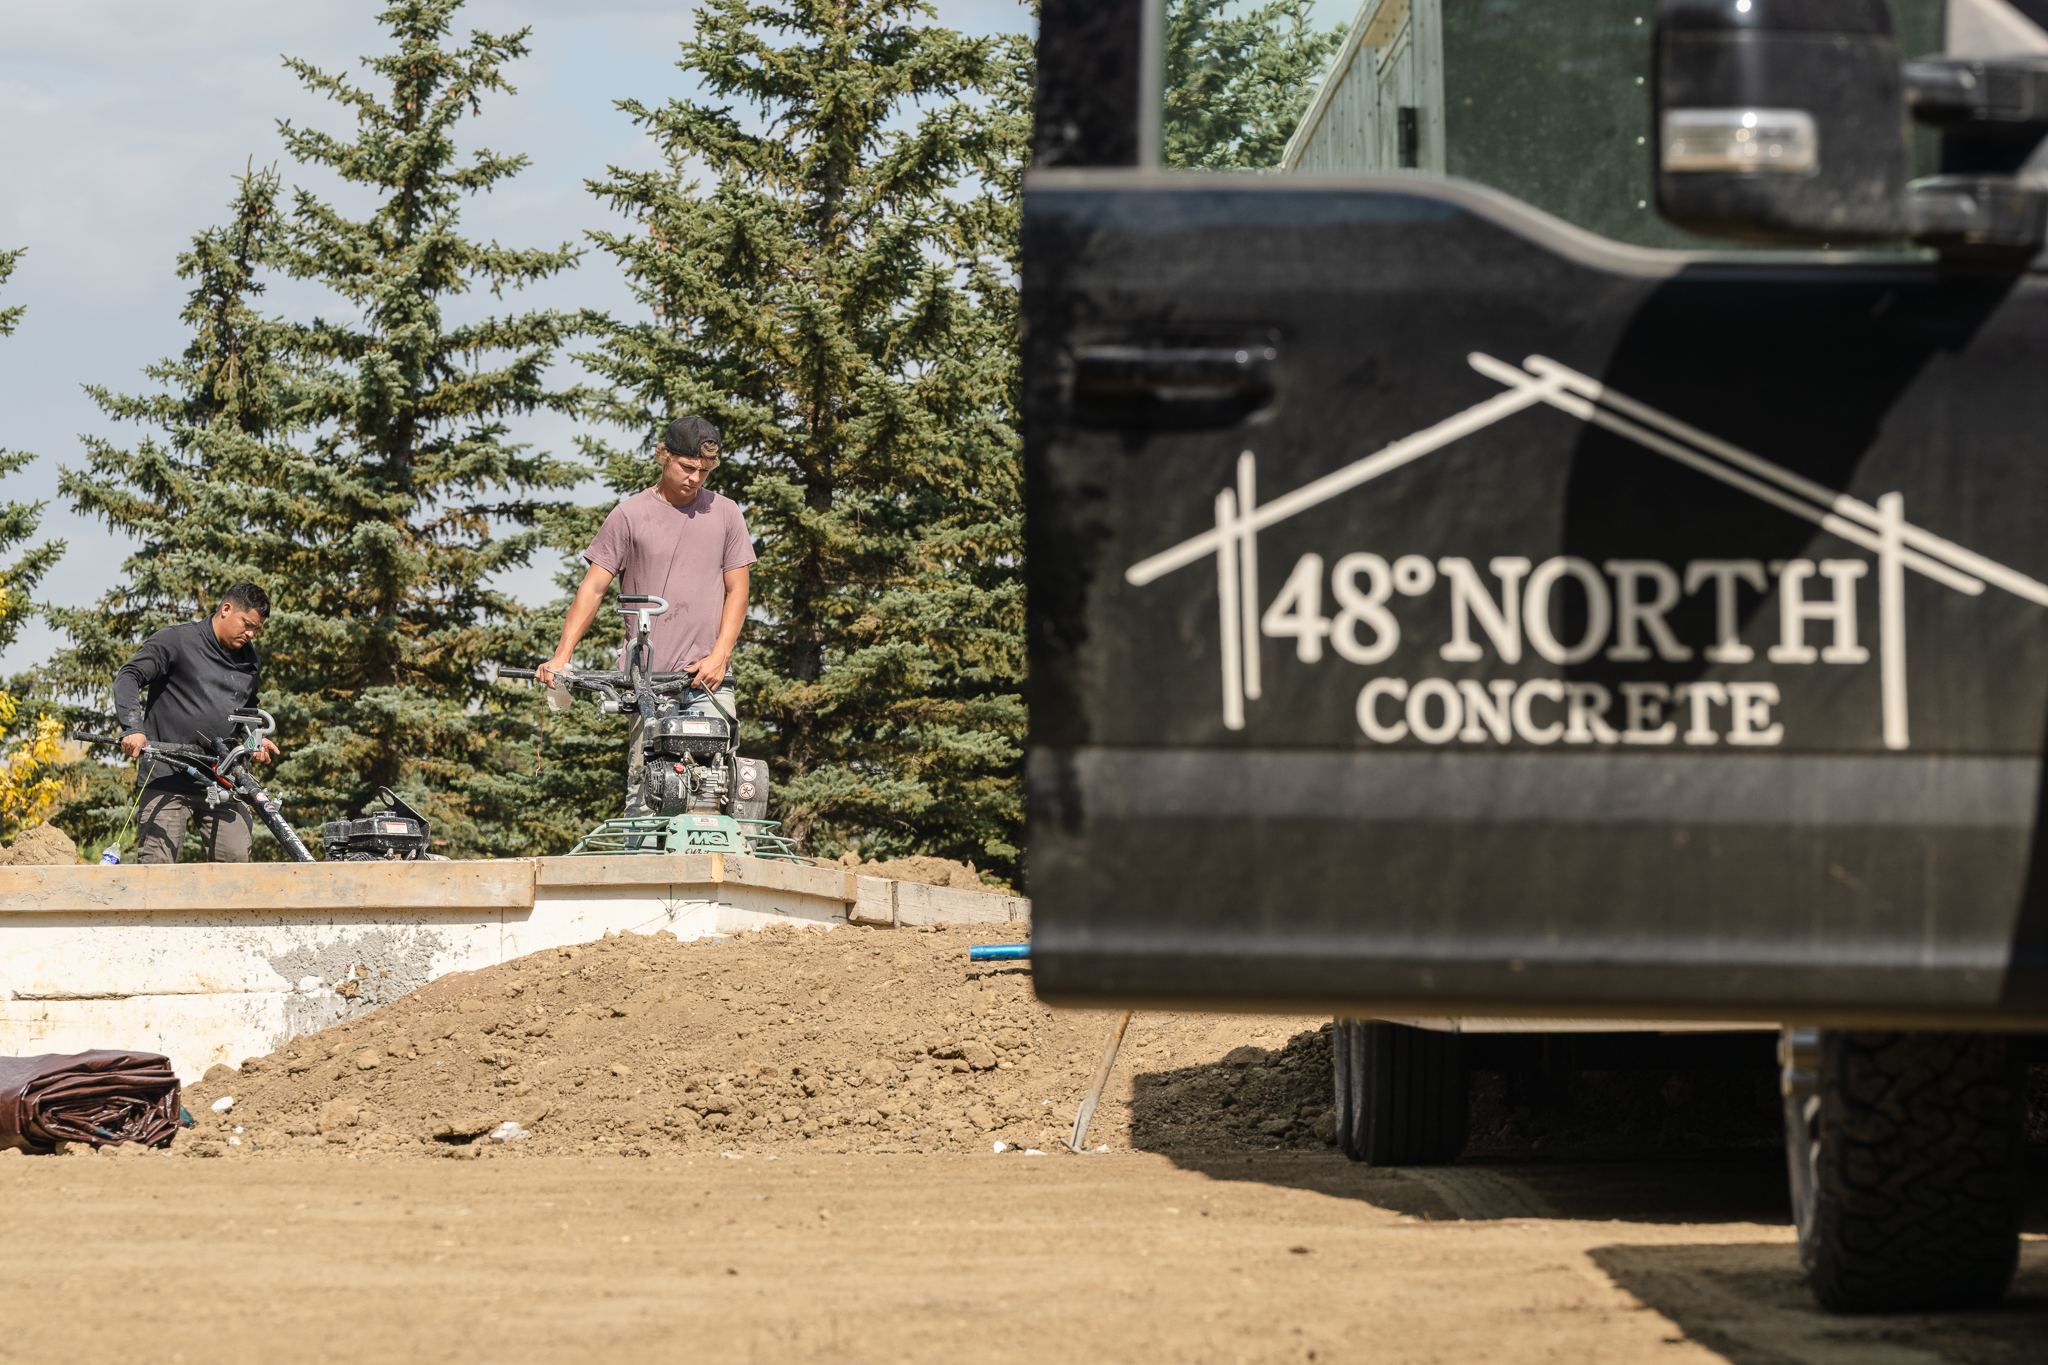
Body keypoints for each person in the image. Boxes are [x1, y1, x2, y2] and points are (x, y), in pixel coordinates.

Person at [537, 416, 756, 815]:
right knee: (649, 795)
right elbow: (593, 588)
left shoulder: (726, 514)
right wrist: (562, 655)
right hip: (648, 685)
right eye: (686, 467)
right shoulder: (629, 515)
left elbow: (738, 590)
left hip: (709, 682)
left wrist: (720, 655)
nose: (695, 479)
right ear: (663, 455)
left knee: (717, 795)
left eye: (704, 471)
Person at [113, 583, 280, 863]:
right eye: (247, 624)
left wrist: (256, 739)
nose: (251, 634)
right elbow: (129, 676)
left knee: (237, 861)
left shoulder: (249, 660)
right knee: (157, 868)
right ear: (226, 609)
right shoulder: (177, 640)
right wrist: (133, 729)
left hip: (223, 778)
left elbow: (247, 710)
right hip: (167, 775)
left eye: (256, 629)